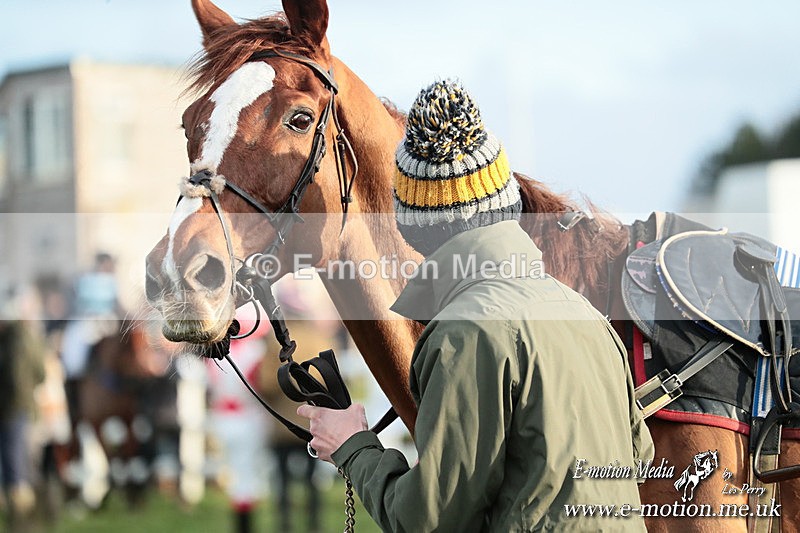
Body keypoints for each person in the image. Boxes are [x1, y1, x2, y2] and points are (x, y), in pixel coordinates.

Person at [298, 80, 654, 531]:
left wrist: (352, 446)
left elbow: (427, 519)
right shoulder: (583, 313)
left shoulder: (464, 331)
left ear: (413, 221)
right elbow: (638, 456)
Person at [0, 319, 46, 527]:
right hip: (20, 407)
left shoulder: (14, 340)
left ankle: (21, 519)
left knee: (15, 462)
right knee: (20, 459)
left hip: (12, 408)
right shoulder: (28, 336)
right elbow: (40, 373)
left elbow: (17, 377)